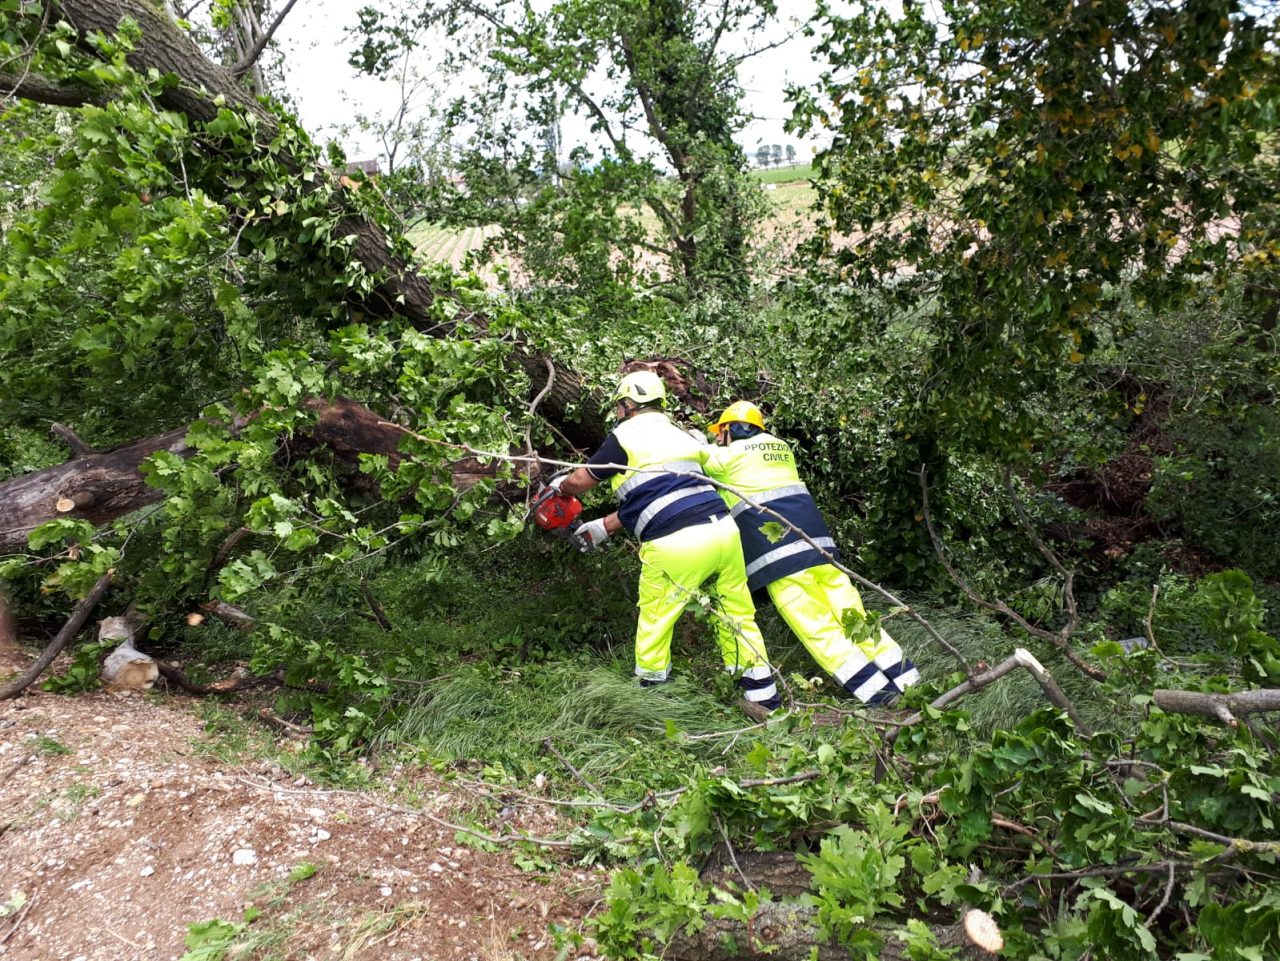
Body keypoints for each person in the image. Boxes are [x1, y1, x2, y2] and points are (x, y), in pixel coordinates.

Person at [547, 372, 780, 714]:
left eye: (619, 407)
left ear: (628, 405)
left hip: (677, 541)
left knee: (658, 615)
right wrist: (604, 526)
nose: (617, 413)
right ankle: (763, 697)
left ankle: (652, 699)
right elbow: (664, 493)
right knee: (736, 613)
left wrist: (560, 489)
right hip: (723, 532)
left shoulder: (625, 434)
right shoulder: (679, 433)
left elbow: (583, 479)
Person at [702, 401, 919, 705]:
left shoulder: (728, 456)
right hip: (820, 547)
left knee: (819, 628)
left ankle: (880, 695)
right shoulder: (781, 448)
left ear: (729, 429)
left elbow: (693, 455)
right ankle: (909, 680)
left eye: (720, 431)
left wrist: (699, 440)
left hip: (780, 557)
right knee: (854, 615)